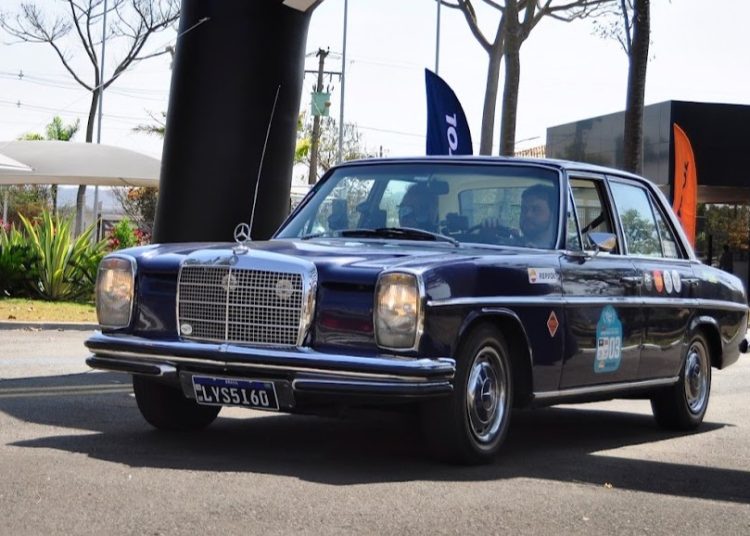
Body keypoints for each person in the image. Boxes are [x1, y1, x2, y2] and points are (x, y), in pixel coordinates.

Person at [519, 184, 557, 248]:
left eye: (536, 209)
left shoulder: (565, 249)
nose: (528, 215)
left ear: (552, 214)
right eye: (524, 209)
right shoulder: (512, 244)